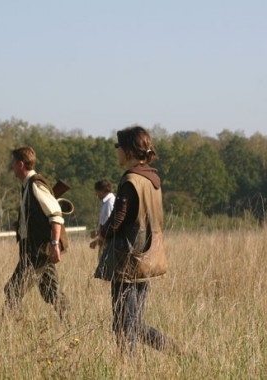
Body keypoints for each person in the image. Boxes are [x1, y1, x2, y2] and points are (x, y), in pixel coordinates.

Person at [94, 125, 178, 354]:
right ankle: (176, 352)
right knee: (134, 323)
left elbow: (119, 218)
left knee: (124, 326)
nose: (117, 151)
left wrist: (102, 232)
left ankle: (130, 368)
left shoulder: (131, 179)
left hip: (128, 259)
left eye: (119, 146)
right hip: (146, 258)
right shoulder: (152, 177)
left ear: (129, 151)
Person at [4, 146, 69, 321]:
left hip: (38, 251)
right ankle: (69, 322)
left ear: (20, 164)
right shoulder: (28, 186)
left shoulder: (36, 185)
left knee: (12, 290)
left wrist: (55, 244)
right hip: (36, 249)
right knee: (51, 293)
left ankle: (12, 329)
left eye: (13, 163)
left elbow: (55, 216)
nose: (11, 166)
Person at [89, 179, 115, 251]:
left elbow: (111, 227)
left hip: (108, 244)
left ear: (101, 191)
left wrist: (97, 241)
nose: (96, 195)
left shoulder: (110, 202)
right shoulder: (106, 202)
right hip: (105, 242)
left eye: (96, 192)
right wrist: (97, 232)